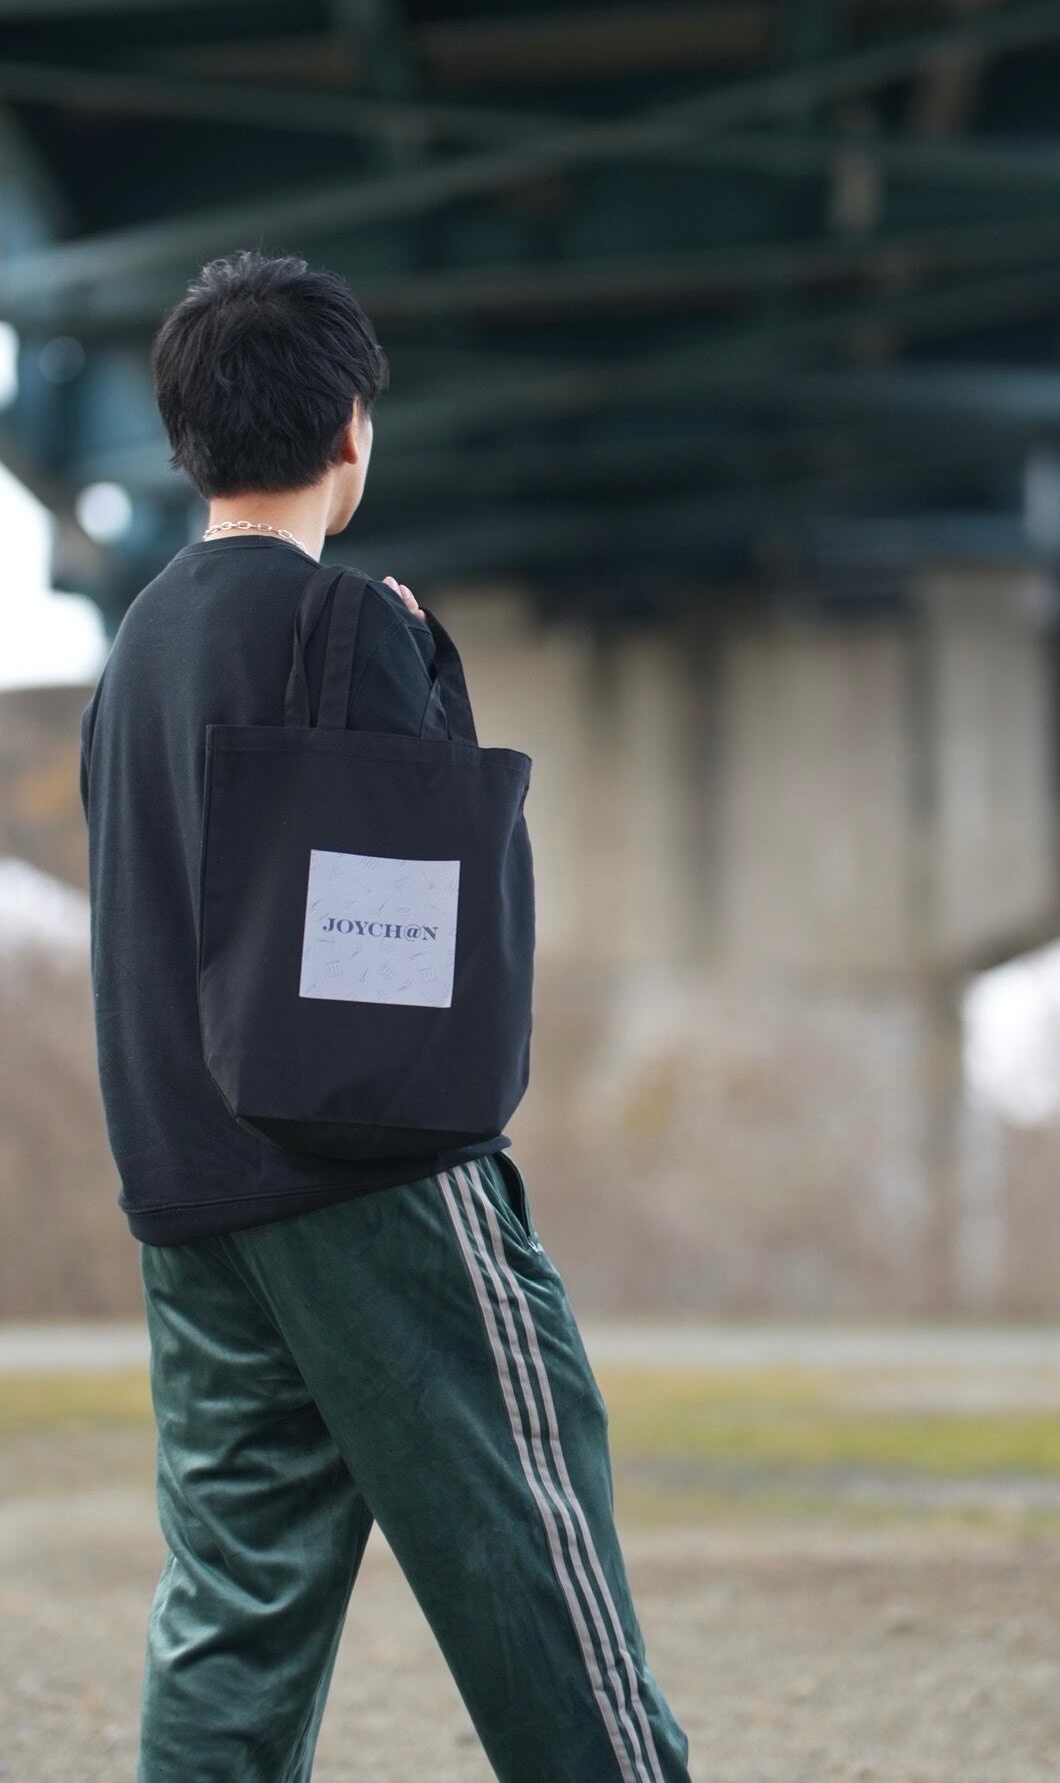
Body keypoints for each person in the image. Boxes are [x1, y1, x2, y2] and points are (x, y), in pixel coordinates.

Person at [78, 247, 693, 1783]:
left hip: (187, 1193)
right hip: (366, 1180)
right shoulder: (347, 619)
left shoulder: (133, 649)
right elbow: (439, 913)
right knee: (536, 1551)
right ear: (351, 429)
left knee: (234, 1608)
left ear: (187, 437)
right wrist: (425, 672)